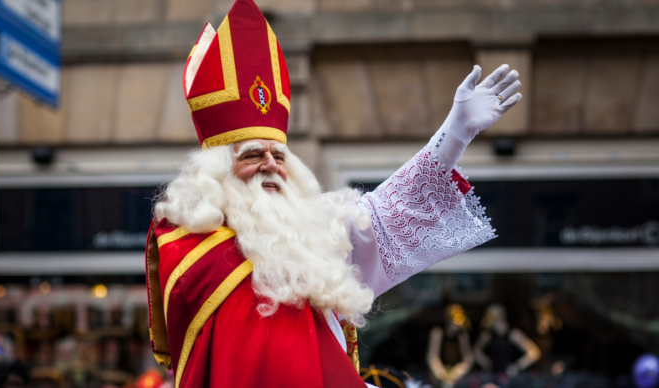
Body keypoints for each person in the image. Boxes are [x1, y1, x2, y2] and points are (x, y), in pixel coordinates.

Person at [143, 0, 522, 386]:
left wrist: (453, 134)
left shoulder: (305, 230)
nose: (271, 165)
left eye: (279, 155)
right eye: (253, 155)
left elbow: (383, 215)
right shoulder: (200, 248)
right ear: (217, 173)